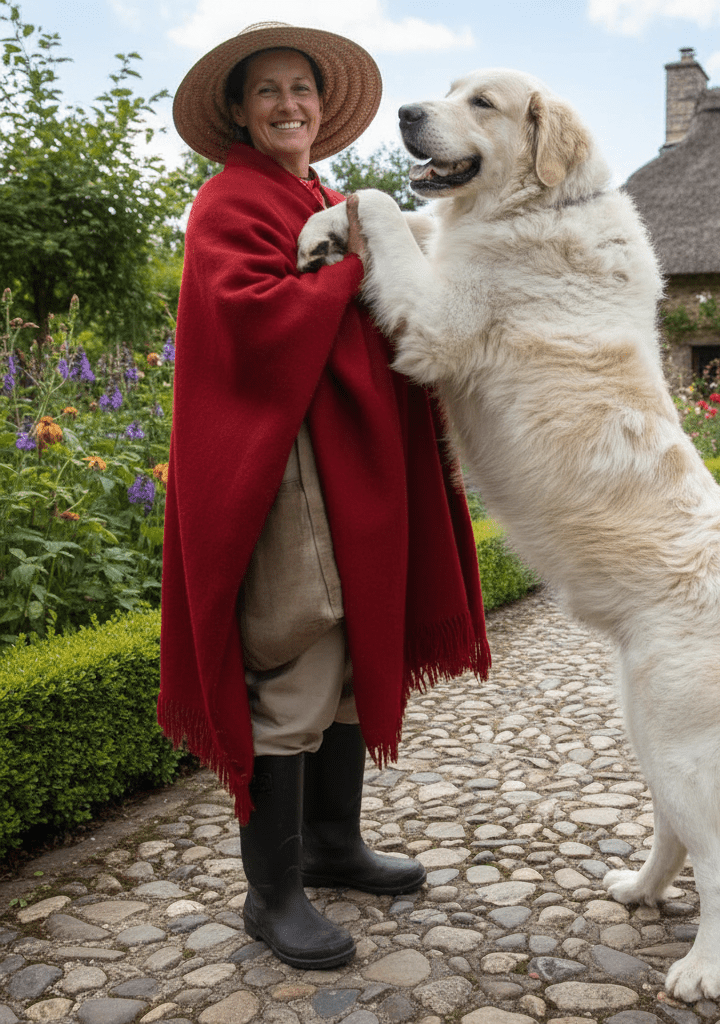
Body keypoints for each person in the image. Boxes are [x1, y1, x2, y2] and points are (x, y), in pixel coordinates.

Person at [160, 22, 490, 971]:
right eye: (266, 91)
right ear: (239, 110)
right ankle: (273, 896)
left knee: (350, 658)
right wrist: (355, 269)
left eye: (300, 88)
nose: (288, 105)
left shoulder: (324, 197)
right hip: (285, 471)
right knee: (297, 653)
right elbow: (256, 322)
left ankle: (335, 845)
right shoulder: (228, 204)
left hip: (350, 463)